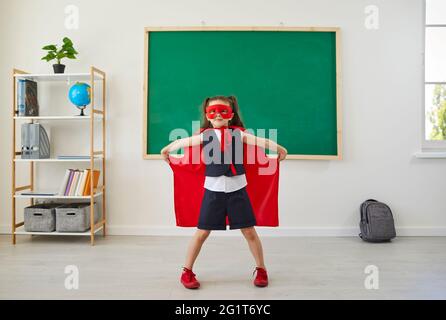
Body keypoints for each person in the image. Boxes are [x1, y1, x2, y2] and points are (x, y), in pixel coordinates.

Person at [161, 95, 287, 289]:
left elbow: (260, 141)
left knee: (249, 231)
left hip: (238, 191)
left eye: (223, 111)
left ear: (231, 115)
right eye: (213, 111)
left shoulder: (240, 134)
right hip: (213, 191)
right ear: (207, 116)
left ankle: (261, 269)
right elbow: (185, 142)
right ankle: (186, 271)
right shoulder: (205, 136)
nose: (218, 114)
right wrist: (168, 148)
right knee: (202, 232)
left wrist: (279, 149)